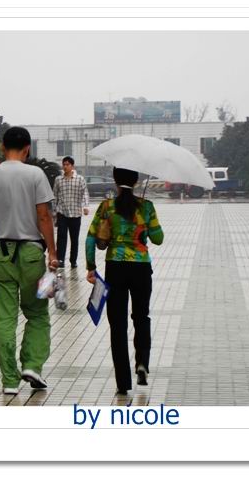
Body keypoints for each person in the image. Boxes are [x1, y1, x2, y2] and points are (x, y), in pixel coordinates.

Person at [0, 126, 58, 395]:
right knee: (37, 313)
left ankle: (9, 380)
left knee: (5, 317)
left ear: (2, 146)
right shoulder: (35, 174)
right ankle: (32, 365)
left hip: (1, 254)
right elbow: (43, 216)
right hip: (31, 254)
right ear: (27, 148)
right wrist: (53, 253)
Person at [85, 168, 164, 395]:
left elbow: (91, 238)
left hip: (115, 268)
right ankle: (142, 362)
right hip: (141, 268)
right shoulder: (146, 206)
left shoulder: (107, 207)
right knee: (141, 317)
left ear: (115, 180)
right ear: (136, 181)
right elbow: (158, 239)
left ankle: (123, 382)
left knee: (118, 325)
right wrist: (144, 230)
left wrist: (91, 267)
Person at [53, 156, 90, 268]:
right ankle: (60, 260)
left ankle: (73, 260)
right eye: (64, 164)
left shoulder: (80, 179)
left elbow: (85, 193)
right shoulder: (58, 180)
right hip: (62, 213)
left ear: (72, 166)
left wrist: (86, 206)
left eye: (67, 164)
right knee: (61, 237)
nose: (65, 166)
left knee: (74, 239)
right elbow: (55, 196)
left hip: (76, 213)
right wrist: (54, 212)